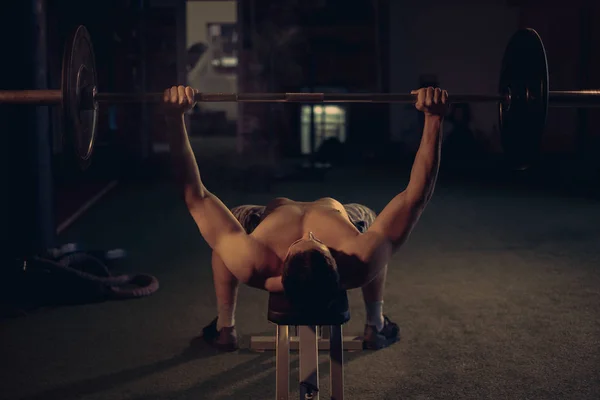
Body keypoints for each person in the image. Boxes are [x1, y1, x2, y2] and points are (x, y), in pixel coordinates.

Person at [163, 85, 448, 351]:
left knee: (224, 242)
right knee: (376, 242)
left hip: (266, 220)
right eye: (316, 243)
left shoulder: (252, 259)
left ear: (283, 266)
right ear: (337, 267)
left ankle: (225, 328)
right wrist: (434, 119)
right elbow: (415, 197)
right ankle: (376, 324)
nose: (309, 235)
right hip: (342, 216)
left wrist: (175, 120)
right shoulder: (358, 258)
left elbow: (196, 197)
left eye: (303, 242)